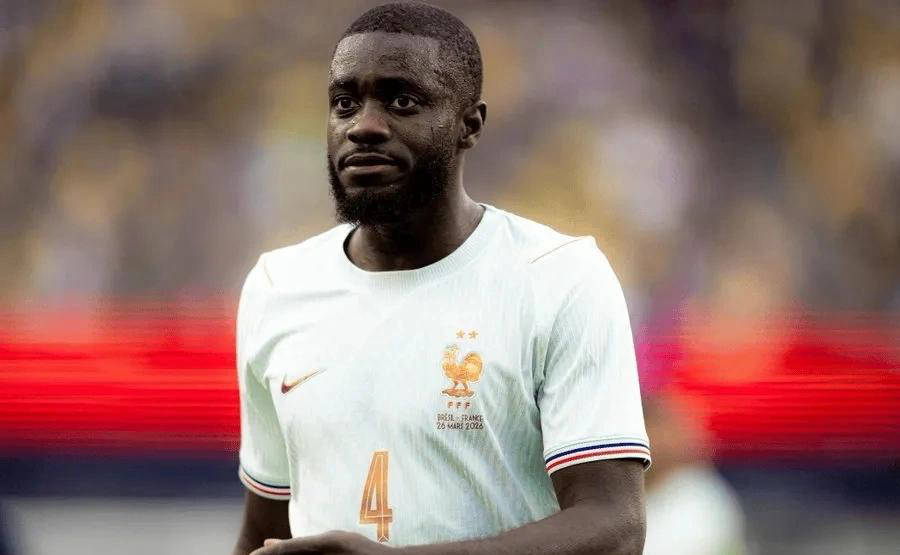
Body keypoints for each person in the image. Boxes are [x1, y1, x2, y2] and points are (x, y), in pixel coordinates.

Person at [233, 3, 650, 554]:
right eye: (344, 103)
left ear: (468, 125)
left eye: (402, 101)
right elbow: (265, 530)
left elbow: (615, 527)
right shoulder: (277, 287)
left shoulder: (559, 279)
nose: (363, 126)